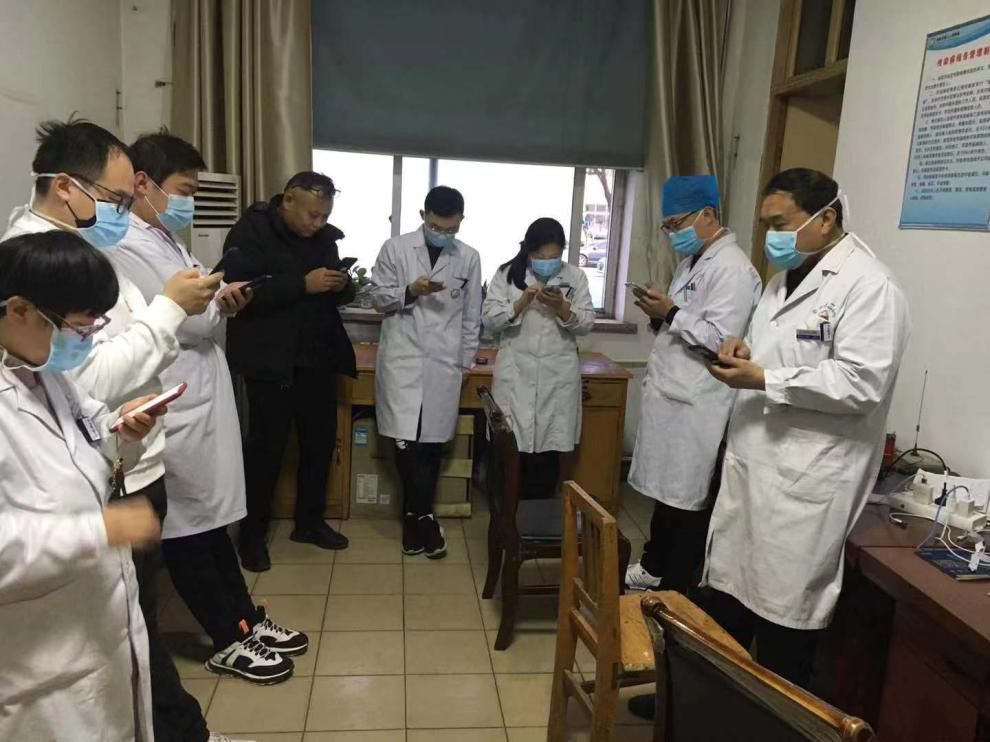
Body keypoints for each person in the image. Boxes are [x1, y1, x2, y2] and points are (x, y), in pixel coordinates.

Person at [3, 119, 246, 740]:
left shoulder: (77, 256)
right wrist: (169, 310)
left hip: (116, 472)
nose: (124, 209)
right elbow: (91, 373)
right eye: (114, 198)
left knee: (135, 629)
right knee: (121, 643)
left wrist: (116, 429)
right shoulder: (37, 269)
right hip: (49, 637)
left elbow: (76, 404)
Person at [701, 168, 910, 687]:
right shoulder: (782, 279)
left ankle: (770, 717)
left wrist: (765, 377)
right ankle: (705, 705)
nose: (771, 237)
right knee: (725, 610)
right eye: (766, 225)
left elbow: (861, 383)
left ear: (826, 219)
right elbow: (777, 349)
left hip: (804, 483)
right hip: (753, 468)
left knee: (782, 631)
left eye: (780, 224)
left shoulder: (870, 287)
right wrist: (743, 350)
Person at [112, 131, 305, 686]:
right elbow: (188, 318)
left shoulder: (166, 240)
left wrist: (223, 301)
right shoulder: (125, 246)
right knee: (187, 526)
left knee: (211, 521)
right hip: (172, 400)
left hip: (198, 389)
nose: (189, 201)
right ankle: (227, 636)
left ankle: (246, 619)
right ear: (143, 183)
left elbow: (199, 307)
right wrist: (212, 306)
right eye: (184, 189)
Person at [0, 230, 163, 741]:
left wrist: (124, 430)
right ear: (19, 310)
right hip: (34, 667)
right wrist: (98, 531)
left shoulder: (43, 373)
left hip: (98, 634)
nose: (88, 337)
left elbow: (87, 446)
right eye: (79, 325)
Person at [624, 176, 762, 593]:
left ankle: (677, 590)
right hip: (674, 396)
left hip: (699, 401)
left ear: (707, 214)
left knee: (688, 504)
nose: (672, 234)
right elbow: (684, 324)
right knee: (668, 498)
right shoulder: (692, 263)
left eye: (676, 224)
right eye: (667, 226)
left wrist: (670, 313)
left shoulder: (733, 269)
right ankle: (655, 567)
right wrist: (660, 315)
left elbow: (722, 341)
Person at [222, 171, 356, 572]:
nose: (318, 223)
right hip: (270, 360)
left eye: (325, 215)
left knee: (319, 445)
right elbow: (238, 289)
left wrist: (340, 284)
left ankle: (309, 523)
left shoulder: (325, 238)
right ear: (288, 200)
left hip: (317, 357)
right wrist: (302, 284)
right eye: (312, 215)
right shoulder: (252, 230)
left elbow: (337, 293)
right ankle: (252, 535)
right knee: (266, 451)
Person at [371, 185, 482, 558]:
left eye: (451, 229)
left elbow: (472, 317)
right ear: (423, 216)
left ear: (461, 221)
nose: (443, 234)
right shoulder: (396, 248)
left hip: (444, 364)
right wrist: (410, 290)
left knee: (432, 444)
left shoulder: (469, 257)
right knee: (406, 442)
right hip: (403, 359)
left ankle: (415, 517)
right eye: (436, 227)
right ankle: (421, 517)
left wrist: (465, 362)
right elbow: (378, 299)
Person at [482, 217, 595, 499]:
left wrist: (562, 308)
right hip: (516, 376)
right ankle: (508, 516)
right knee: (511, 451)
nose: (548, 263)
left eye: (554, 257)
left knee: (548, 451)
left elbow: (586, 324)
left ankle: (540, 511)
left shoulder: (575, 277)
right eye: (541, 257)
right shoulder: (507, 274)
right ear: (528, 251)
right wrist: (520, 303)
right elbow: (490, 320)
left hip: (556, 378)